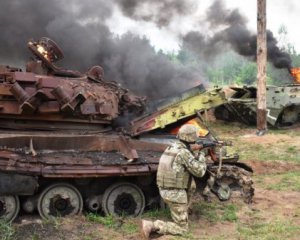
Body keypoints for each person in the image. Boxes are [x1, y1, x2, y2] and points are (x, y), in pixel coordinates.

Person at [140, 124, 207, 239]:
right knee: (182, 229)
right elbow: (200, 172)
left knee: (192, 185)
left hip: (166, 189)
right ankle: (152, 226)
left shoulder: (172, 147)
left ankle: (184, 210)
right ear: (191, 138)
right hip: (174, 194)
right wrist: (201, 154)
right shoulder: (184, 153)